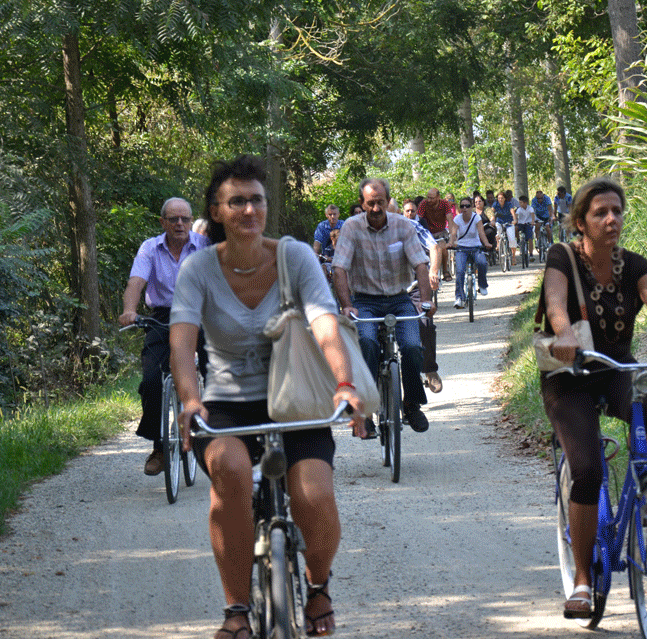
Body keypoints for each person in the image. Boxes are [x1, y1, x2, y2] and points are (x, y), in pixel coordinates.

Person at [169, 155, 366, 639]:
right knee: (231, 475)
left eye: (256, 199)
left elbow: (323, 322)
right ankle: (236, 609)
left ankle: (318, 588)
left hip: (297, 400)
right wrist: (189, 401)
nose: (248, 210)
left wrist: (346, 384)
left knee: (314, 495)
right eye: (236, 201)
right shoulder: (197, 269)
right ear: (216, 212)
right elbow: (182, 339)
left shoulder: (293, 256)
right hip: (227, 403)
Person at [538, 176, 647, 620]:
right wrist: (563, 334)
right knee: (586, 469)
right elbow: (556, 300)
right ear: (581, 221)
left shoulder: (633, 264)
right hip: (570, 372)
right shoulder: (562, 256)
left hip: (615, 365)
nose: (611, 219)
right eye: (600, 212)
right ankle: (582, 580)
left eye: (616, 210)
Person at [334, 178, 434, 436]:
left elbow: (420, 264)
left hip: (399, 299)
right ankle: (365, 410)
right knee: (366, 343)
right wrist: (347, 306)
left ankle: (411, 404)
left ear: (388, 201)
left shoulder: (403, 225)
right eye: (370, 203)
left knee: (412, 347)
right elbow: (340, 268)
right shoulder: (351, 228)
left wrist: (426, 300)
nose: (376, 208)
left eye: (380, 202)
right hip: (365, 302)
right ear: (361, 203)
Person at [119, 197, 209, 476]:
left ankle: (219, 437)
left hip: (201, 313)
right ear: (163, 223)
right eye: (173, 219)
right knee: (150, 381)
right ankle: (159, 446)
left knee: (218, 370)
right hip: (163, 316)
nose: (179, 224)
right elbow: (136, 281)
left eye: (184, 219)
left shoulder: (205, 246)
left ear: (191, 221)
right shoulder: (150, 248)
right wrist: (129, 310)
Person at [402, 198, 444, 393]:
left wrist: (433, 271)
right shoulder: (363, 231)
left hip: (415, 286)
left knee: (425, 323)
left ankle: (429, 369)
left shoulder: (411, 227)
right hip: (385, 292)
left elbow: (433, 247)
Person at [449, 196, 492, 309]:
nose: (465, 208)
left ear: (471, 206)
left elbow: (481, 233)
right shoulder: (457, 219)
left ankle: (482, 285)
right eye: (462, 206)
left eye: (467, 206)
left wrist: (486, 243)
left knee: (482, 263)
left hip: (475, 247)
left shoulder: (476, 217)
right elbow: (453, 233)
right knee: (459, 271)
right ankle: (459, 297)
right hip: (461, 248)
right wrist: (450, 243)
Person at [417, 187, 455, 282]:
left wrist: (451, 237)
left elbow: (450, 219)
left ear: (438, 197)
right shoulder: (424, 204)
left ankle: (445, 270)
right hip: (427, 233)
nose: (429, 200)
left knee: (443, 248)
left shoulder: (444, 204)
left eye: (432, 198)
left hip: (440, 232)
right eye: (428, 197)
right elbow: (418, 219)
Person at [492, 189, 518, 265]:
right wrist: (492, 219)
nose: (500, 199)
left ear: (505, 198)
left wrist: (514, 219)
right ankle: (498, 243)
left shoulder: (508, 204)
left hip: (508, 222)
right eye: (499, 198)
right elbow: (492, 212)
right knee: (498, 231)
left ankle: (513, 257)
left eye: (502, 198)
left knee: (512, 239)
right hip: (499, 222)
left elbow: (512, 211)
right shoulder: (495, 204)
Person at [515, 194, 536, 260]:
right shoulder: (519, 209)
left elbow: (532, 216)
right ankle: (518, 240)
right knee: (516, 228)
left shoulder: (530, 208)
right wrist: (515, 221)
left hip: (528, 224)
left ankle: (531, 254)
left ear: (525, 203)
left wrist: (532, 221)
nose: (520, 204)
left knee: (530, 239)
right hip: (521, 224)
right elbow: (516, 216)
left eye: (521, 202)